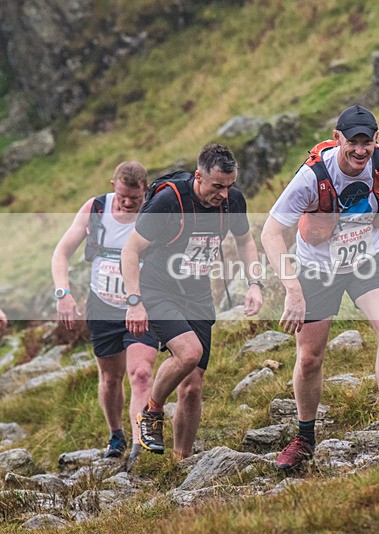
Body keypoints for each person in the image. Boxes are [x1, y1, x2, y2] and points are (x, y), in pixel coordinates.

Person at [262, 104, 379, 471]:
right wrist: (292, 288)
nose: (360, 150)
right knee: (309, 358)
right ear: (338, 140)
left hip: (367, 258)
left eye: (367, 142)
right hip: (318, 267)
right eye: (353, 142)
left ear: (375, 140)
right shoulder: (311, 177)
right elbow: (270, 232)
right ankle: (304, 437)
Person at [122, 144, 263, 458]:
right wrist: (135, 301)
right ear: (199, 176)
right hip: (159, 289)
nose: (224, 194)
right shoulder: (170, 201)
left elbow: (245, 240)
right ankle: (152, 411)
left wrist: (254, 283)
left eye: (229, 186)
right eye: (217, 187)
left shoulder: (233, 201)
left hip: (197, 292)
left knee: (192, 386)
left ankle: (180, 461)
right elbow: (130, 251)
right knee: (189, 353)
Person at [51, 161, 160, 461]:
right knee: (111, 378)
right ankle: (116, 435)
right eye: (123, 196)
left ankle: (140, 446)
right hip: (102, 305)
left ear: (145, 191)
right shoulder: (96, 208)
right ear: (113, 185)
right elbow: (61, 252)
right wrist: (63, 293)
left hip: (143, 307)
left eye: (134, 199)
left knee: (140, 374)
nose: (127, 203)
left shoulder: (154, 213)